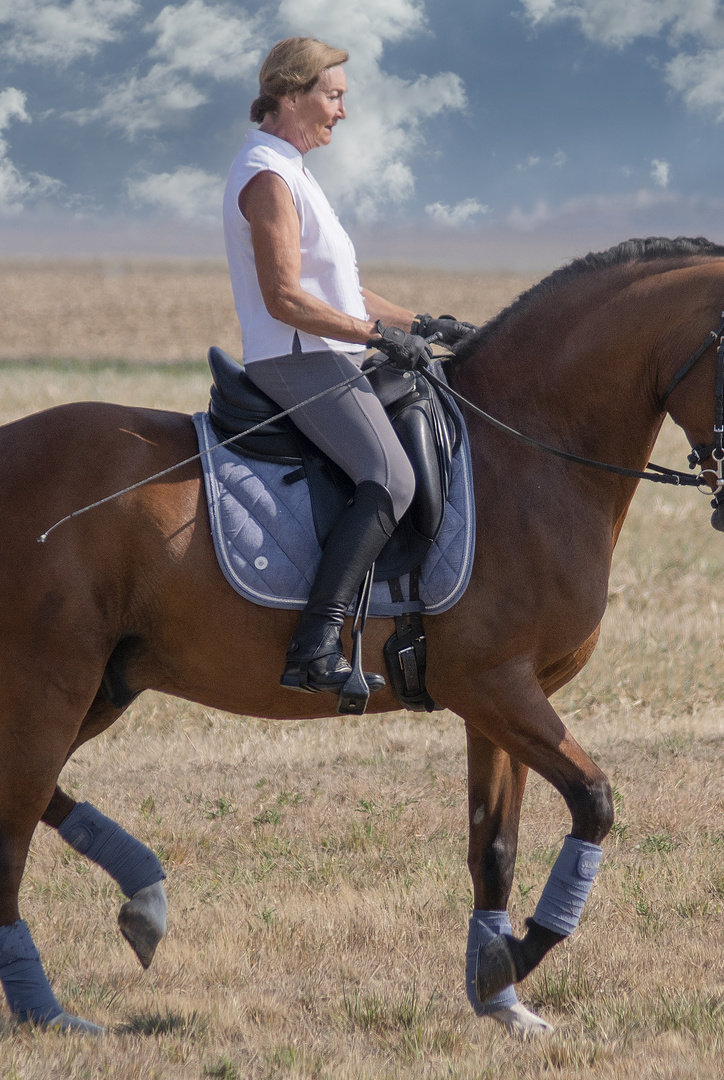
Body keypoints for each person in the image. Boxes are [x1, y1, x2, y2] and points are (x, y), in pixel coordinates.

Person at [223, 37, 474, 696]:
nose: (341, 112)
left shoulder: (294, 173)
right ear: (290, 93)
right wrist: (375, 337)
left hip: (326, 348)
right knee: (389, 478)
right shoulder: (268, 176)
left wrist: (419, 325)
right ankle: (314, 643)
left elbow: (342, 294)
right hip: (298, 359)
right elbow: (285, 298)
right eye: (332, 97)